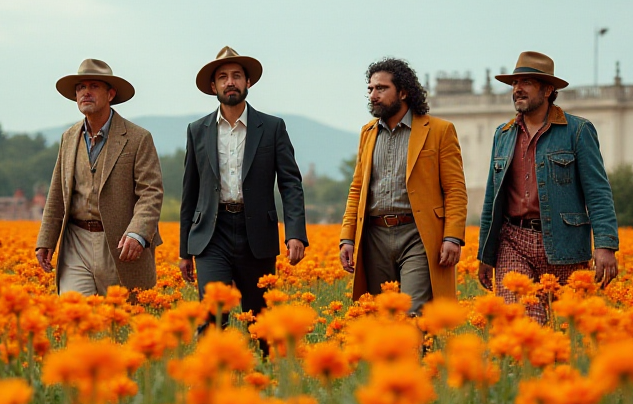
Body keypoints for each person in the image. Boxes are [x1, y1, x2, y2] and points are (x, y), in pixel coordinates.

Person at [477, 51, 619, 323]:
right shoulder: (503, 134)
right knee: (522, 324)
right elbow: (491, 198)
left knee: (571, 329)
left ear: (548, 89)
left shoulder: (577, 131)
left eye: (527, 82)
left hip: (565, 243)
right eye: (515, 83)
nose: (517, 88)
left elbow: (598, 192)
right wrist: (486, 253)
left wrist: (605, 245)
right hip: (513, 241)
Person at [179, 46, 308, 327]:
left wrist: (295, 234)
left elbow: (290, 183)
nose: (230, 82)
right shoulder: (197, 130)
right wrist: (183, 251)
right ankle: (212, 370)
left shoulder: (272, 127)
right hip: (212, 234)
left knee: (261, 320)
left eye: (237, 76)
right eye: (223, 77)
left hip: (257, 235)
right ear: (213, 86)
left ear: (248, 82)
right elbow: (190, 191)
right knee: (212, 317)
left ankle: (266, 369)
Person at [339, 58, 468, 315]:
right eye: (370, 89)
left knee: (413, 313)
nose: (373, 95)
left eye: (381, 88)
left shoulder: (440, 131)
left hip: (417, 235)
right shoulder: (367, 133)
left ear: (404, 92)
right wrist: (347, 237)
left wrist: (452, 236)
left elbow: (455, 189)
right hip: (374, 236)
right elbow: (357, 189)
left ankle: (418, 356)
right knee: (381, 317)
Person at [36, 59, 164, 297]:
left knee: (121, 324)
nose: (86, 92)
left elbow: (151, 192)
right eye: (80, 87)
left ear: (111, 94)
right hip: (76, 242)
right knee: (76, 319)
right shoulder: (69, 137)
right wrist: (46, 239)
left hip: (119, 243)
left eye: (94, 86)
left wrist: (138, 232)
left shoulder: (138, 138)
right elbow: (57, 193)